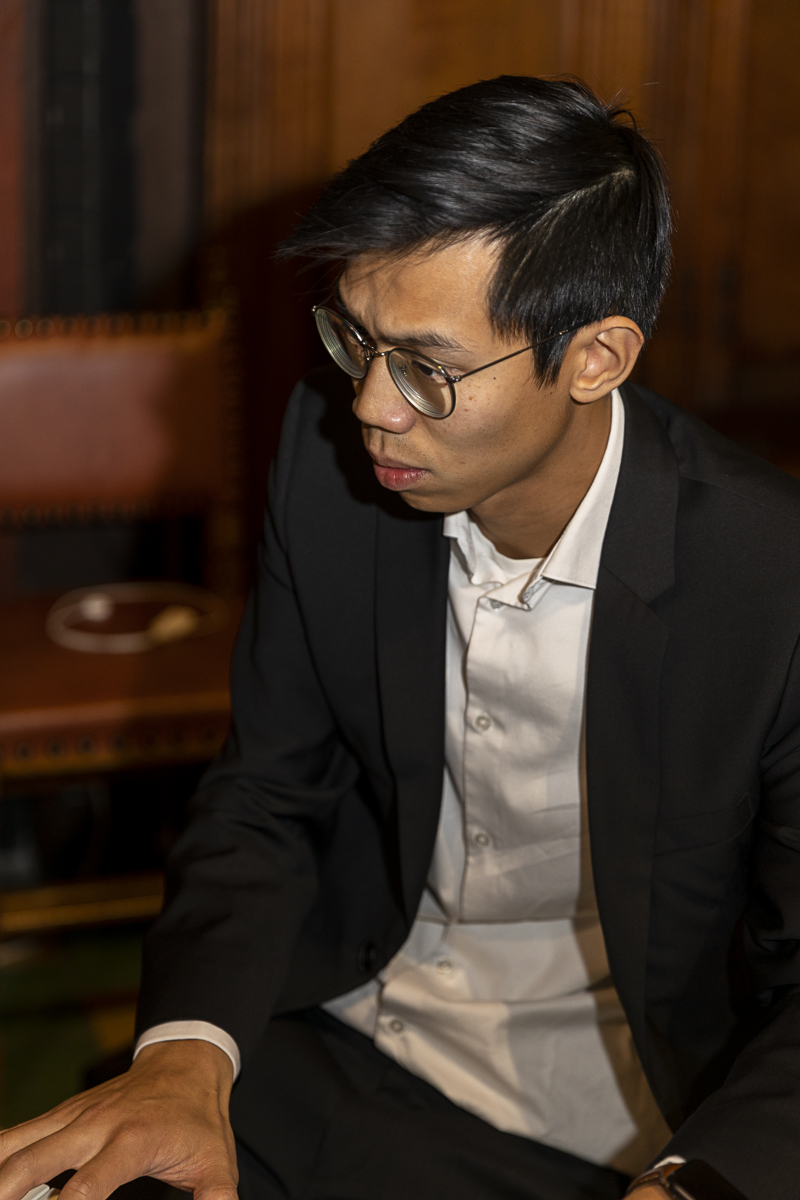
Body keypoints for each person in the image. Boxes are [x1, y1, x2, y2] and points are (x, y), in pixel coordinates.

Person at [2, 74, 800, 1200]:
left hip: (620, 1120)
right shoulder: (327, 457)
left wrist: (692, 1185)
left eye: (427, 368)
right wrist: (185, 1057)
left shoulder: (768, 580)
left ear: (595, 357)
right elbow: (268, 794)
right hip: (331, 1031)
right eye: (356, 339)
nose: (372, 405)